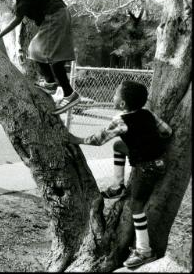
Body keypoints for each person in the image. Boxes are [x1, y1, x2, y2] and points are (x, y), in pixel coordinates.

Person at [69, 80, 172, 268]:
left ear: (122, 104)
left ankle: (144, 251)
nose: (113, 96)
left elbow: (100, 139)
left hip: (145, 167)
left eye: (115, 94)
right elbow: (167, 131)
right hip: (160, 161)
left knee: (136, 206)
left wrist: (77, 139)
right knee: (118, 145)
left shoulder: (121, 119)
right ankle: (118, 185)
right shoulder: (148, 114)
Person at [0, 0, 80, 115]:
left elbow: (16, 20)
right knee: (37, 51)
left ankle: (70, 94)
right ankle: (51, 84)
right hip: (58, 14)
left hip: (55, 15)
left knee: (46, 54)